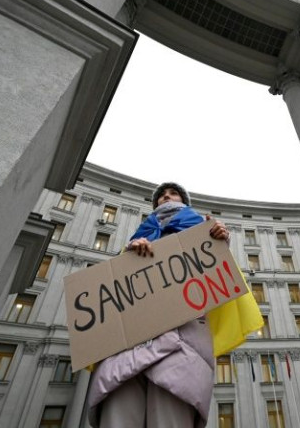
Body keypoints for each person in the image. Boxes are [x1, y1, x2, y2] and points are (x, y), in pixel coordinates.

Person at [86, 182, 238, 428]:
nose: (166, 196)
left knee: (170, 418)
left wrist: (219, 241)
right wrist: (129, 258)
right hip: (128, 345)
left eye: (173, 193)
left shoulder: (204, 230)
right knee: (118, 415)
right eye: (161, 196)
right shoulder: (139, 235)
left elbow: (215, 275)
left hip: (180, 343)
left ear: (184, 202)